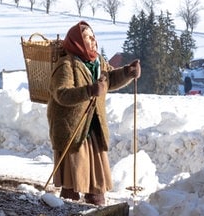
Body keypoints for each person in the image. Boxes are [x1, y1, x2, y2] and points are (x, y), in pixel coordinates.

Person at [47, 20, 141, 205]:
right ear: (77, 42)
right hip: (72, 127)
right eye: (88, 37)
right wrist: (88, 91)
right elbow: (61, 94)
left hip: (93, 124)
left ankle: (96, 203)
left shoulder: (97, 61)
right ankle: (68, 206)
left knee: (97, 177)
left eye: (93, 36)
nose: (93, 40)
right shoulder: (66, 65)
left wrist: (128, 72)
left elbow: (110, 79)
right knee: (73, 177)